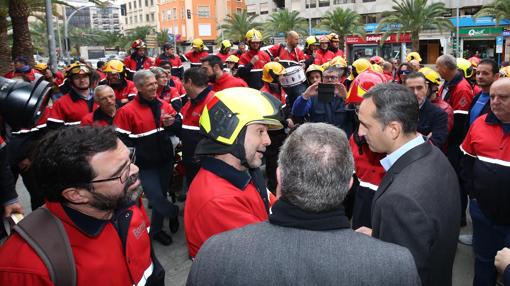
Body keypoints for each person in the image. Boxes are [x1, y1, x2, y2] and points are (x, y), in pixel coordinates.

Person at [187, 123, 421, 286]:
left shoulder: (215, 254)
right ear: (350, 184)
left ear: (279, 176)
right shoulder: (396, 265)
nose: (266, 139)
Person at [0, 126, 164, 285]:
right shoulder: (25, 268)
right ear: (76, 195)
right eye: (120, 173)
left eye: (130, 160)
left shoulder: (126, 201)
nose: (135, 170)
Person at [355, 83, 460, 286]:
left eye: (366, 125)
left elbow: (401, 275)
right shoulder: (432, 153)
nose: (360, 132)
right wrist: (381, 235)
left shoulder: (400, 200)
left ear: (394, 129)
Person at [184, 87, 283, 258]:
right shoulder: (219, 202)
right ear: (229, 131)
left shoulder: (244, 172)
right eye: (260, 131)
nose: (267, 141)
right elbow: (268, 255)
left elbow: (269, 206)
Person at [114, 70, 181, 246]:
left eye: (155, 83)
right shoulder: (126, 112)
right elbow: (121, 142)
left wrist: (172, 124)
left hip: (166, 161)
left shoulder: (164, 105)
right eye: (149, 84)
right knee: (156, 198)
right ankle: (174, 213)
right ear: (139, 87)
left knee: (162, 194)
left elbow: (178, 127)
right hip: (145, 166)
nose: (155, 86)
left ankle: (157, 230)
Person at [460, 78, 510, 286]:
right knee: (483, 260)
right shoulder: (478, 125)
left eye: (503, 97)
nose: (495, 101)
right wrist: (475, 195)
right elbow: (466, 163)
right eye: (492, 96)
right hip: (483, 213)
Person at [436, 54, 474, 227]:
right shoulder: (447, 84)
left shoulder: (462, 87)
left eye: (438, 67)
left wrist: (448, 143)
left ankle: (459, 217)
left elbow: (459, 122)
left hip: (455, 143)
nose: (436, 70)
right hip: (448, 141)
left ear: (445, 68)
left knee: (457, 180)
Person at [179, 67, 216, 193]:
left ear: (189, 82)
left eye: (183, 82)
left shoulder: (212, 101)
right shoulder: (190, 103)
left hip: (204, 165)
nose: (183, 86)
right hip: (192, 163)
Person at [293, 66, 356, 137]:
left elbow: (356, 118)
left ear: (339, 79)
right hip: (320, 139)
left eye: (333, 77)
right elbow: (297, 113)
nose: (329, 80)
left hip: (342, 139)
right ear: (322, 79)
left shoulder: (346, 94)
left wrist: (346, 99)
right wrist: (305, 96)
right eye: (326, 77)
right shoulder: (313, 95)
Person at [405, 72, 449, 147]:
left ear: (426, 88)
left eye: (419, 88)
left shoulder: (439, 115)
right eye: (411, 89)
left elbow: (436, 144)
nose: (415, 93)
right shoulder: (396, 110)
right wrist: (424, 139)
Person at [47, 62, 96, 128]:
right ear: (70, 81)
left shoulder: (101, 98)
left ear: (90, 78)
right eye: (77, 78)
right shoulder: (61, 103)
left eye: (85, 76)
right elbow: (54, 131)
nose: (82, 80)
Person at [419, 67, 454, 134]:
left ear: (433, 87)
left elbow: (439, 138)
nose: (416, 92)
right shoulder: (418, 104)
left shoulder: (445, 110)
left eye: (421, 87)